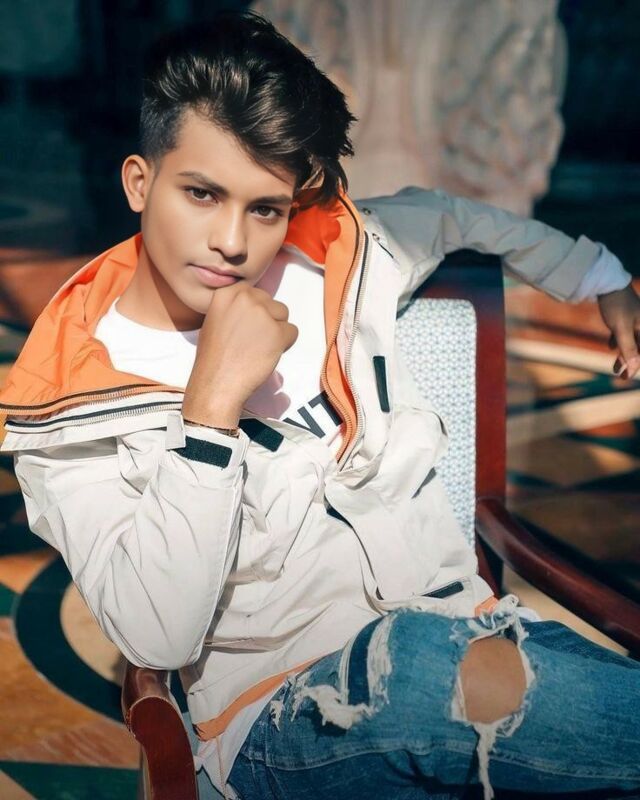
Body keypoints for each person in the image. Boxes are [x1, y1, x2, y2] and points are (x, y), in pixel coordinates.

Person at [1, 11, 639, 800]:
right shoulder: (69, 405)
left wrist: (598, 275)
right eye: (201, 194)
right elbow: (155, 637)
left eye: (264, 208)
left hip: (470, 642)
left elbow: (451, 215)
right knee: (414, 663)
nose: (232, 242)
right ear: (140, 182)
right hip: (282, 719)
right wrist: (209, 415)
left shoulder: (334, 259)